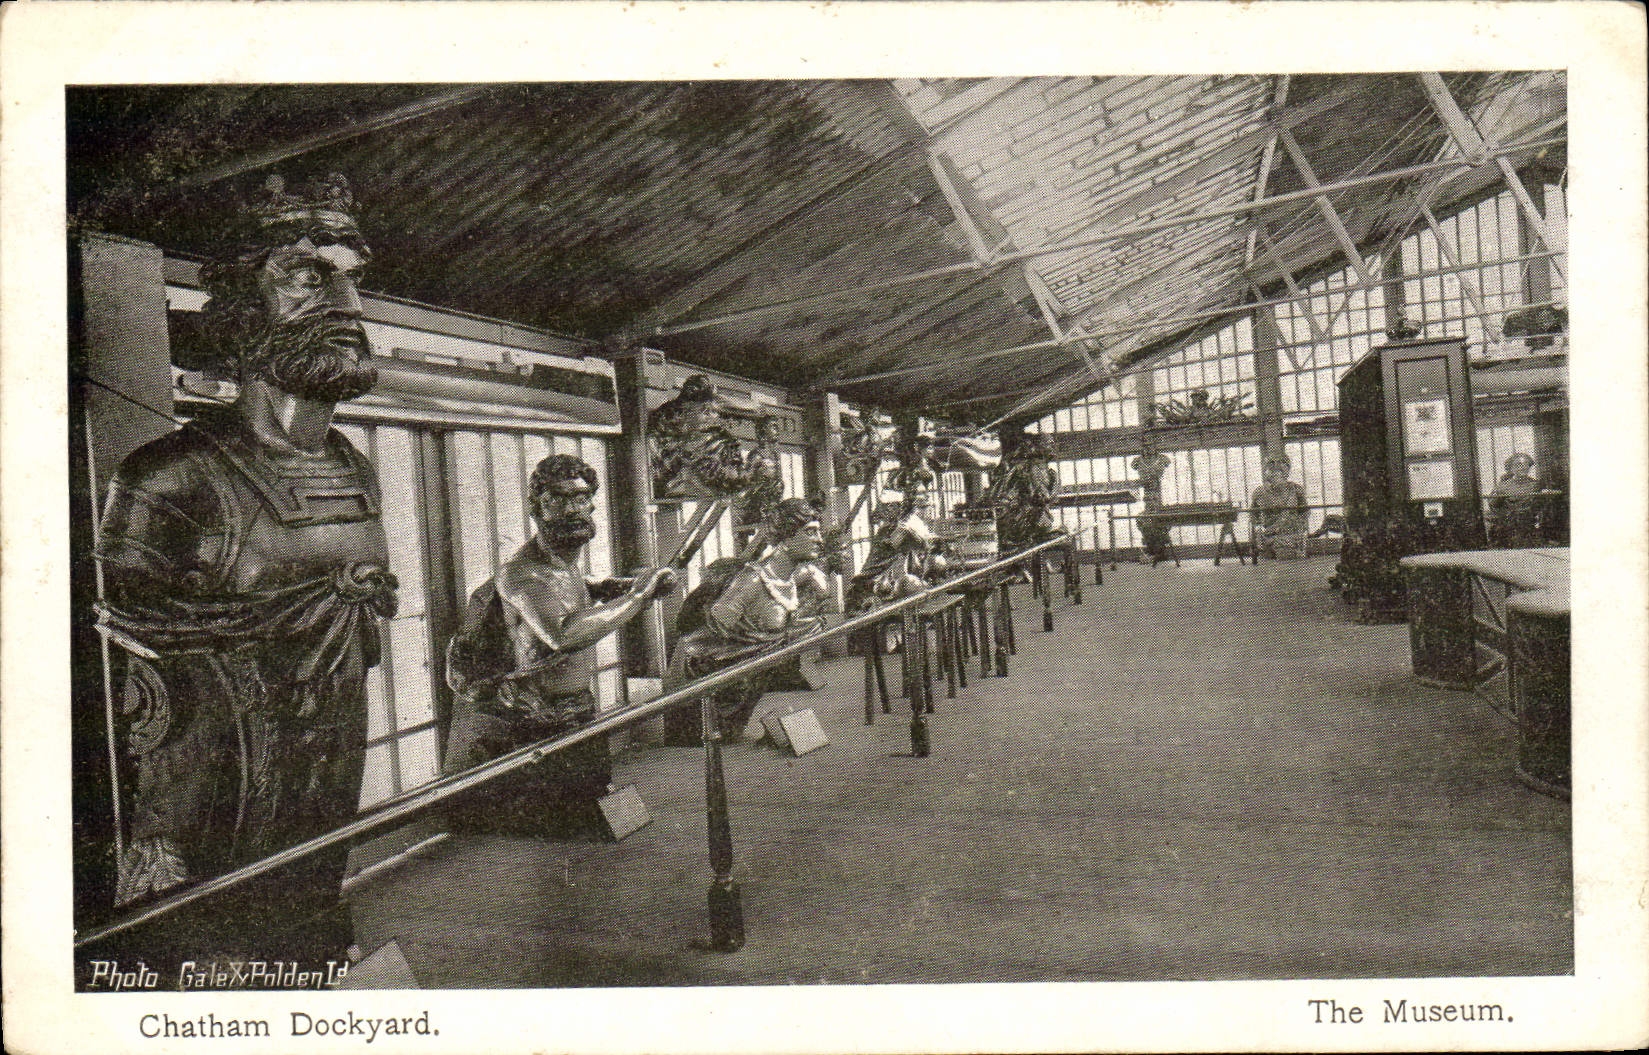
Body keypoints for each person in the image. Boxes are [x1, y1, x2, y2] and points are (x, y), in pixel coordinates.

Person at [94, 173, 396, 962]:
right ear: (240, 309)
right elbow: (115, 656)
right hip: (210, 785)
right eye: (306, 274)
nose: (346, 307)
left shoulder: (354, 468)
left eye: (352, 278)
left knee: (309, 908)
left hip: (328, 755)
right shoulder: (171, 474)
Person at [443, 454, 676, 836]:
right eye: (559, 499)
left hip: (573, 712)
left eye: (581, 499)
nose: (573, 509)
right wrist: (637, 600)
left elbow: (571, 588)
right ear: (537, 508)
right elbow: (562, 634)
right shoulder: (522, 573)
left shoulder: (564, 564)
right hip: (530, 719)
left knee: (587, 803)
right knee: (555, 815)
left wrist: (611, 588)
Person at [664, 499, 830, 742]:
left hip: (741, 689)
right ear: (785, 538)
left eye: (819, 532)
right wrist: (775, 638)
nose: (819, 539)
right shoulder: (752, 581)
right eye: (810, 532)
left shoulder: (790, 577)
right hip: (703, 683)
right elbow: (717, 627)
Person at [648, 373, 750, 499]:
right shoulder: (668, 419)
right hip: (673, 484)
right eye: (705, 410)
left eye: (712, 411)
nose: (713, 416)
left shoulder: (718, 439)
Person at [1250, 455, 1310, 559]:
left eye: (1280, 471)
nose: (1276, 473)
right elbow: (1253, 516)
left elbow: (1305, 512)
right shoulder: (1259, 492)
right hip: (1268, 535)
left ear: (1286, 472)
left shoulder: (1296, 490)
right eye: (1272, 470)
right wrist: (1259, 530)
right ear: (1267, 472)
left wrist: (1300, 528)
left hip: (1292, 534)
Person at [1487, 453, 1541, 547]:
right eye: (1518, 465)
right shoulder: (1502, 486)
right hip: (1508, 529)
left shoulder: (1536, 485)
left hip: (1529, 527)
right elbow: (1493, 505)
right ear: (1511, 468)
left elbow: (1541, 506)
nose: (1523, 467)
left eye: (1526, 465)